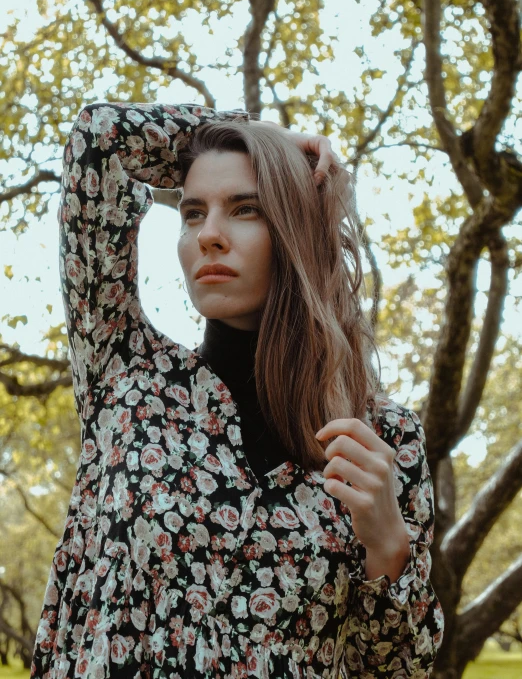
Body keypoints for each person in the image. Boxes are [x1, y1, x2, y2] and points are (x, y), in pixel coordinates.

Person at [31, 102, 444, 679]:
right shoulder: (123, 370)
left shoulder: (385, 439)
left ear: (297, 227)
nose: (210, 236)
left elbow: (396, 669)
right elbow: (97, 139)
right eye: (192, 213)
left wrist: (388, 547)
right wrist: (259, 133)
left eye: (245, 209)